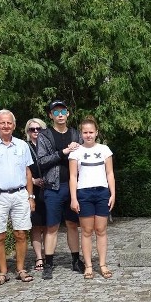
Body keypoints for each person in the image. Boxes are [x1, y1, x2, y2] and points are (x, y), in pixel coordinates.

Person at [0, 109, 36, 287]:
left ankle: (20, 269)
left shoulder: (22, 145)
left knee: (21, 233)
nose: (6, 126)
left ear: (14, 125)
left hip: (19, 195)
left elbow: (28, 172)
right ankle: (2, 272)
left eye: (9, 123)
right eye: (2, 123)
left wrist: (31, 196)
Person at [36, 99, 85, 279]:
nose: (60, 115)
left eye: (62, 111)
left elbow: (84, 157)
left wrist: (78, 149)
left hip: (73, 187)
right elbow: (41, 161)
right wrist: (63, 152)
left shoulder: (75, 134)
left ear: (68, 113)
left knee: (73, 224)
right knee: (52, 227)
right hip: (53, 187)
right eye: (55, 112)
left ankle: (75, 260)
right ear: (51, 116)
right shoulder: (45, 135)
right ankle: (48, 263)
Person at [68, 116, 116, 279]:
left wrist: (113, 193)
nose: (88, 135)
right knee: (87, 231)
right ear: (81, 134)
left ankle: (102, 264)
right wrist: (74, 198)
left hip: (102, 192)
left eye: (91, 132)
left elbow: (110, 173)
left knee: (101, 230)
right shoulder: (76, 153)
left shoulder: (104, 149)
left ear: (96, 133)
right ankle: (88, 265)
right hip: (84, 193)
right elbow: (73, 177)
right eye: (85, 132)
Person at [25, 118, 48, 272]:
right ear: (28, 131)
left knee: (48, 225)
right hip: (32, 190)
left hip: (48, 189)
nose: (35, 132)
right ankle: (39, 256)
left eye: (38, 129)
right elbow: (20, 169)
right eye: (32, 129)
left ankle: (48, 254)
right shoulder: (24, 147)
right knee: (36, 225)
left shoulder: (48, 146)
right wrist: (33, 180)